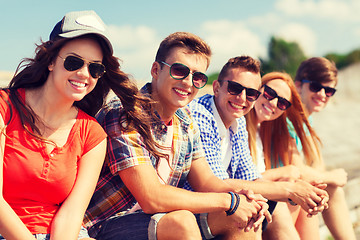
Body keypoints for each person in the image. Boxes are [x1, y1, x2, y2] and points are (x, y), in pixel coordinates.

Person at [84, 32, 271, 240]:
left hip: (156, 220)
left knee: (243, 217)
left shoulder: (185, 120)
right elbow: (151, 197)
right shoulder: (125, 114)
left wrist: (244, 197)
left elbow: (208, 182)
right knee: (182, 221)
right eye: (180, 71)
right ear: (156, 70)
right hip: (105, 224)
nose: (188, 83)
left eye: (198, 77)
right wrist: (228, 202)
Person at [0, 10, 139, 240]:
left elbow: (72, 214)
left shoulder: (92, 134)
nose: (84, 74)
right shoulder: (5, 108)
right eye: (74, 62)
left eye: (95, 68)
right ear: (51, 61)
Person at [185, 57, 329, 239]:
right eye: (235, 88)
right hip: (187, 209)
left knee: (267, 206)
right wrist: (290, 190)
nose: (242, 98)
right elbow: (216, 184)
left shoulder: (239, 122)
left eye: (251, 93)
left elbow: (251, 178)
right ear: (216, 88)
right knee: (247, 213)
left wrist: (304, 192)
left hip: (215, 204)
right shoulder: (201, 114)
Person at [291, 57, 356, 240]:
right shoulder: (289, 117)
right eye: (315, 87)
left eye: (328, 90)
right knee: (331, 189)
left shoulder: (305, 119)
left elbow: (316, 163)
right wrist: (332, 176)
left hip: (291, 190)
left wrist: (325, 177)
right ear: (298, 86)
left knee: (327, 190)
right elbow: (295, 169)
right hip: (278, 191)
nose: (322, 94)